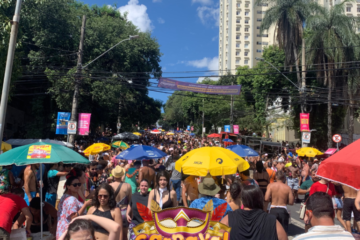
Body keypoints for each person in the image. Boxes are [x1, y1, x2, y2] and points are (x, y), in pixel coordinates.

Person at [221, 185, 288, 240]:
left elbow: (216, 236)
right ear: (260, 200)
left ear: (243, 200)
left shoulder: (229, 218)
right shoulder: (272, 221)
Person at [56, 175, 92, 239]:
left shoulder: (64, 196)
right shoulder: (71, 199)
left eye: (79, 184)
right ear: (68, 186)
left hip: (62, 230)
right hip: (69, 231)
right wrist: (85, 205)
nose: (77, 186)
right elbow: (74, 217)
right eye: (75, 185)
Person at [109, 166, 132, 240]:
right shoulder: (127, 186)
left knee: (114, 234)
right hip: (124, 212)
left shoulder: (109, 186)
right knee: (125, 236)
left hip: (113, 211)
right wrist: (130, 215)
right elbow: (130, 202)